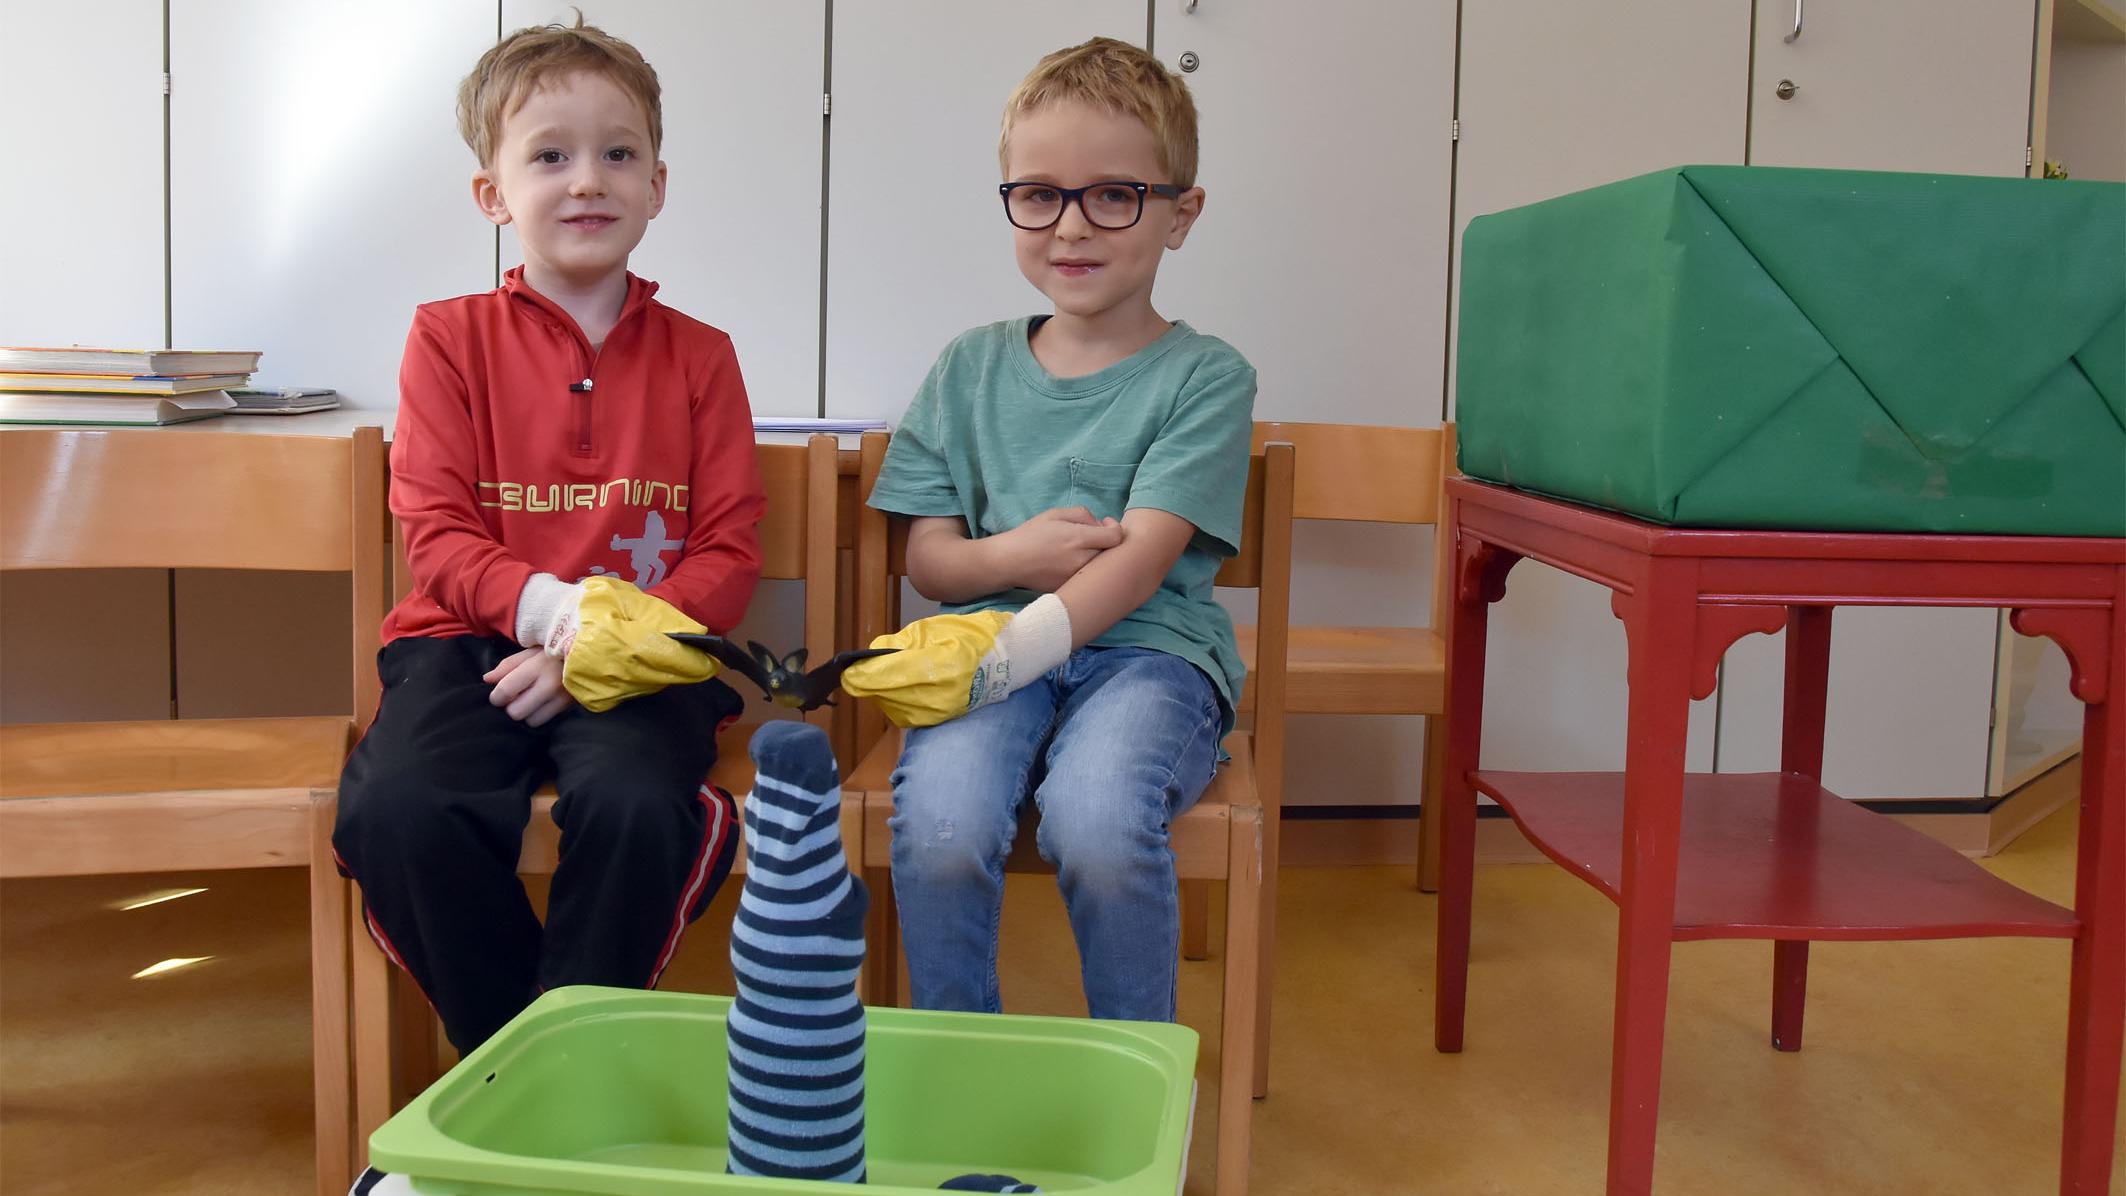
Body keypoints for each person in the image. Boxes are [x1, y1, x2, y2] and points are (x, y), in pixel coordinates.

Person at [334, 12, 762, 1058]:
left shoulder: (702, 357)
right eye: (551, 156)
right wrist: (550, 613)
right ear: (494, 194)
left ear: (657, 185)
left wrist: (592, 650)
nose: (587, 181)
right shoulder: (446, 338)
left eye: (618, 154)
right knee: (398, 811)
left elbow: (726, 552)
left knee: (633, 806)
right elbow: (433, 532)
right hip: (462, 646)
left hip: (643, 655)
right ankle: (526, 1059)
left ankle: (553, 1075)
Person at [849, 36, 1256, 1024]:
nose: (1070, 225)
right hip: (985, 653)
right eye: (1037, 194)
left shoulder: (1206, 377)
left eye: (1111, 194)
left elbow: (1138, 566)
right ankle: (958, 1072)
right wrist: (1010, 560)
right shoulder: (965, 367)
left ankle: (1131, 1085)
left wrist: (1015, 636)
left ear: (1178, 213)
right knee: (941, 824)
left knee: (1098, 819)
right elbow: (931, 561)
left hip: (1147, 661)